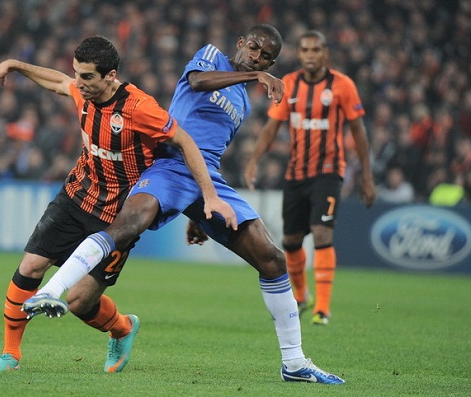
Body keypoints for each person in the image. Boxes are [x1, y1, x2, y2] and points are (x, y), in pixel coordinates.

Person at [25, 24, 346, 384]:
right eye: (254, 48)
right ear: (241, 42)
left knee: (272, 259)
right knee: (126, 225)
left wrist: (199, 212)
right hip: (171, 166)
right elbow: (197, 82)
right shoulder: (211, 57)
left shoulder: (242, 101)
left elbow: (211, 148)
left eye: (266, 58)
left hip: (206, 177)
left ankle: (295, 363)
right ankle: (49, 292)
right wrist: (256, 75)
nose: (257, 57)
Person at [0, 36, 236, 372]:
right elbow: (58, 81)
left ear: (110, 75)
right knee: (30, 268)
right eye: (77, 73)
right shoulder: (81, 91)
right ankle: (10, 354)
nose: (79, 83)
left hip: (118, 218)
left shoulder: (140, 108)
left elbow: (185, 142)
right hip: (76, 197)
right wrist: (14, 65)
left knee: (79, 302)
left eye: (87, 76)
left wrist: (209, 196)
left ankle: (123, 328)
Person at [243, 30, 376, 326]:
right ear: (300, 54)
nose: (310, 55)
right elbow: (271, 128)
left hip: (328, 172)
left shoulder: (342, 85)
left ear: (325, 53)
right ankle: (302, 296)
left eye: (316, 49)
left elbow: (358, 131)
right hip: (296, 174)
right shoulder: (289, 84)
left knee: (321, 233)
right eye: (305, 50)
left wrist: (367, 176)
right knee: (290, 241)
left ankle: (323, 309)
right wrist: (253, 161)